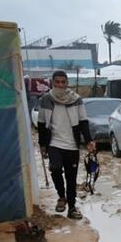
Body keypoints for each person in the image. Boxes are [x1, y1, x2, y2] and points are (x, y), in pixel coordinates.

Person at [37, 71, 96, 219]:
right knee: (55, 168)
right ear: (52, 83)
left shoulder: (76, 100)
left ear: (67, 83)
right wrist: (42, 145)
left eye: (63, 82)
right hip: (54, 143)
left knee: (71, 177)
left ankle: (72, 207)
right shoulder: (46, 100)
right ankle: (61, 197)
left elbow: (83, 121)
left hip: (72, 145)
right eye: (57, 82)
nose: (60, 85)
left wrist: (89, 141)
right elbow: (42, 123)